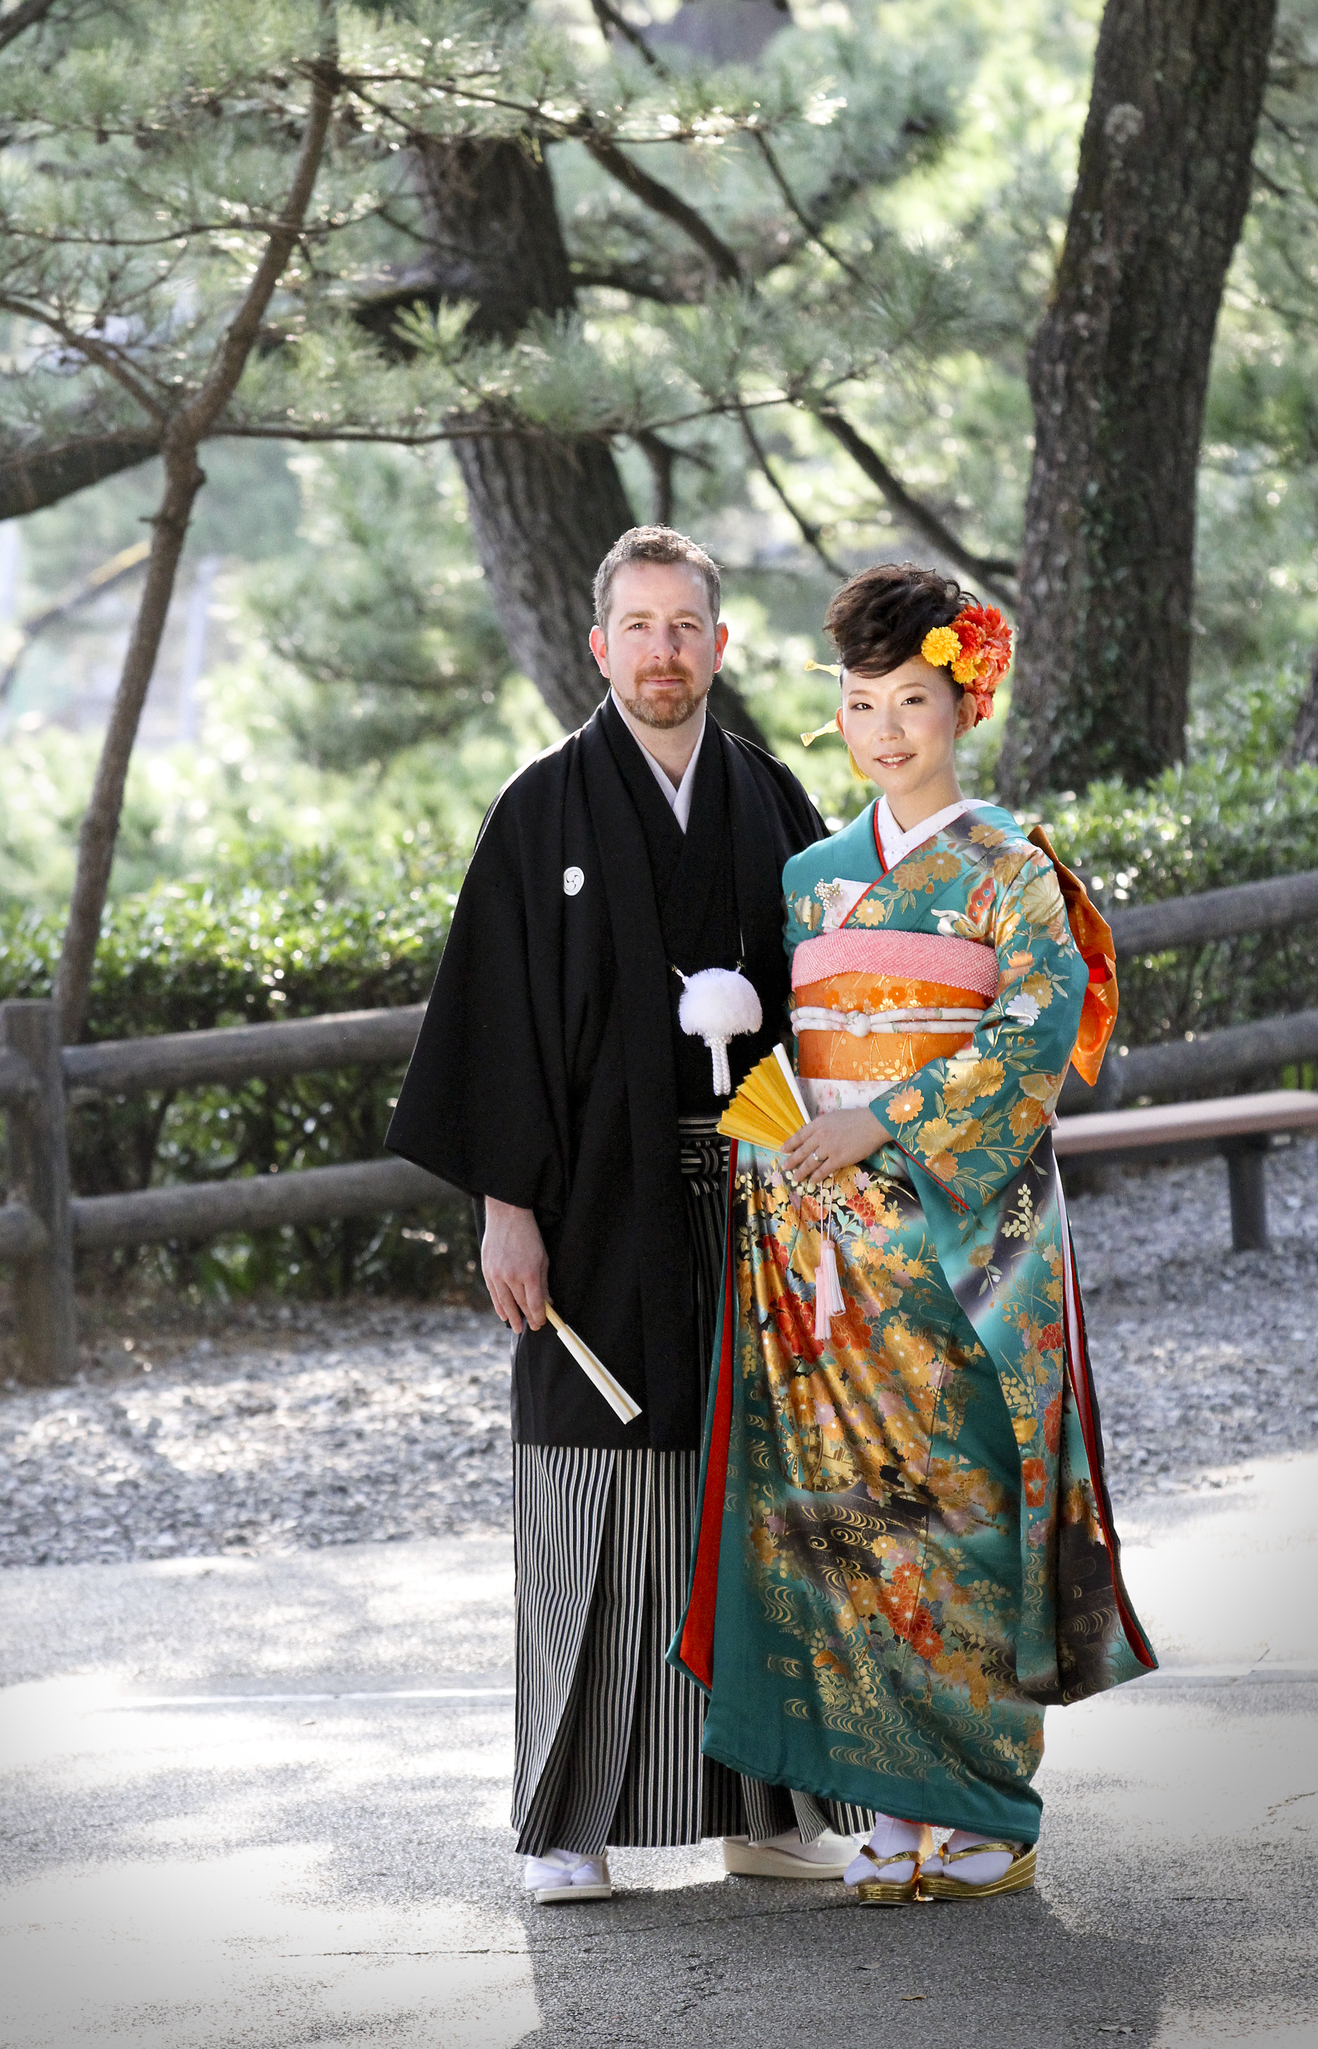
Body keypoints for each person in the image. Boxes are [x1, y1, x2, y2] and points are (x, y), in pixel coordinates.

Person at [386, 525, 862, 1903]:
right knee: (595, 1503)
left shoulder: (772, 801)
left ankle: (765, 1808)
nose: (663, 651)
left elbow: (834, 1005)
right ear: (599, 645)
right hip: (593, 1207)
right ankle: (568, 1825)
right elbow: (492, 1026)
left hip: (754, 1208)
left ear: (721, 644)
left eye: (685, 626)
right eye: (639, 627)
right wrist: (504, 1210)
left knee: (759, 1495)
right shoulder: (539, 809)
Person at [670, 562, 1155, 1903]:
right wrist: (788, 1140)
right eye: (861, 702)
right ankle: (887, 1805)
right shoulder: (812, 876)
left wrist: (880, 1123)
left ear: (964, 705)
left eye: (912, 702)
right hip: (828, 1244)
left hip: (964, 1236)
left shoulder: (1010, 867)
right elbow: (804, 1048)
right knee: (845, 1513)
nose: (884, 731)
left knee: (964, 1502)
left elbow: (1032, 1035)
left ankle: (987, 1806)